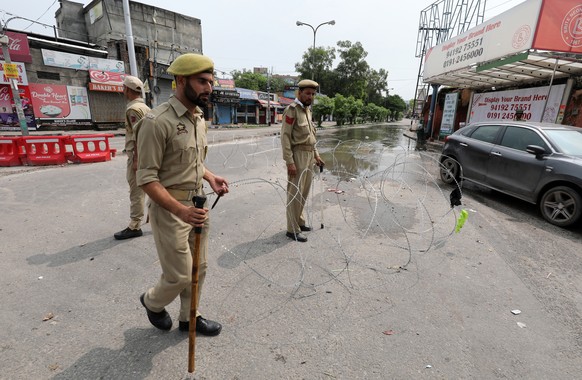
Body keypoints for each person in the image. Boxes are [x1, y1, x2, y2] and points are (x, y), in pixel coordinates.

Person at [136, 53, 229, 335]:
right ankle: (152, 302)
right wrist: (181, 210)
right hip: (170, 209)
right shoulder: (156, 122)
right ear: (180, 80)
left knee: (198, 268)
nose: (208, 88)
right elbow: (146, 179)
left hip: (197, 204)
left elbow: (193, 161)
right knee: (179, 274)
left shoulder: (198, 119)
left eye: (210, 82)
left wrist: (211, 178)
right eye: (202, 81)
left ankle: (190, 317)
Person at [281, 79, 325, 243]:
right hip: (297, 156)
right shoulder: (291, 110)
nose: (310, 96)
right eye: (307, 93)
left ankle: (299, 222)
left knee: (303, 192)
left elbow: (311, 138)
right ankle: (291, 229)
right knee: (294, 193)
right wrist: (289, 162)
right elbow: (285, 137)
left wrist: (317, 155)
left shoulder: (307, 111)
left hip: (309, 156)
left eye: (313, 94)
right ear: (299, 93)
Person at [114, 75, 151, 240]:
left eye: (124, 88)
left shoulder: (133, 109)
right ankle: (157, 217)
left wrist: (136, 160)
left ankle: (135, 225)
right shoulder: (146, 107)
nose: (123, 91)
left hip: (140, 157)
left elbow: (139, 136)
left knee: (136, 191)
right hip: (148, 155)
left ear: (128, 90)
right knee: (152, 187)